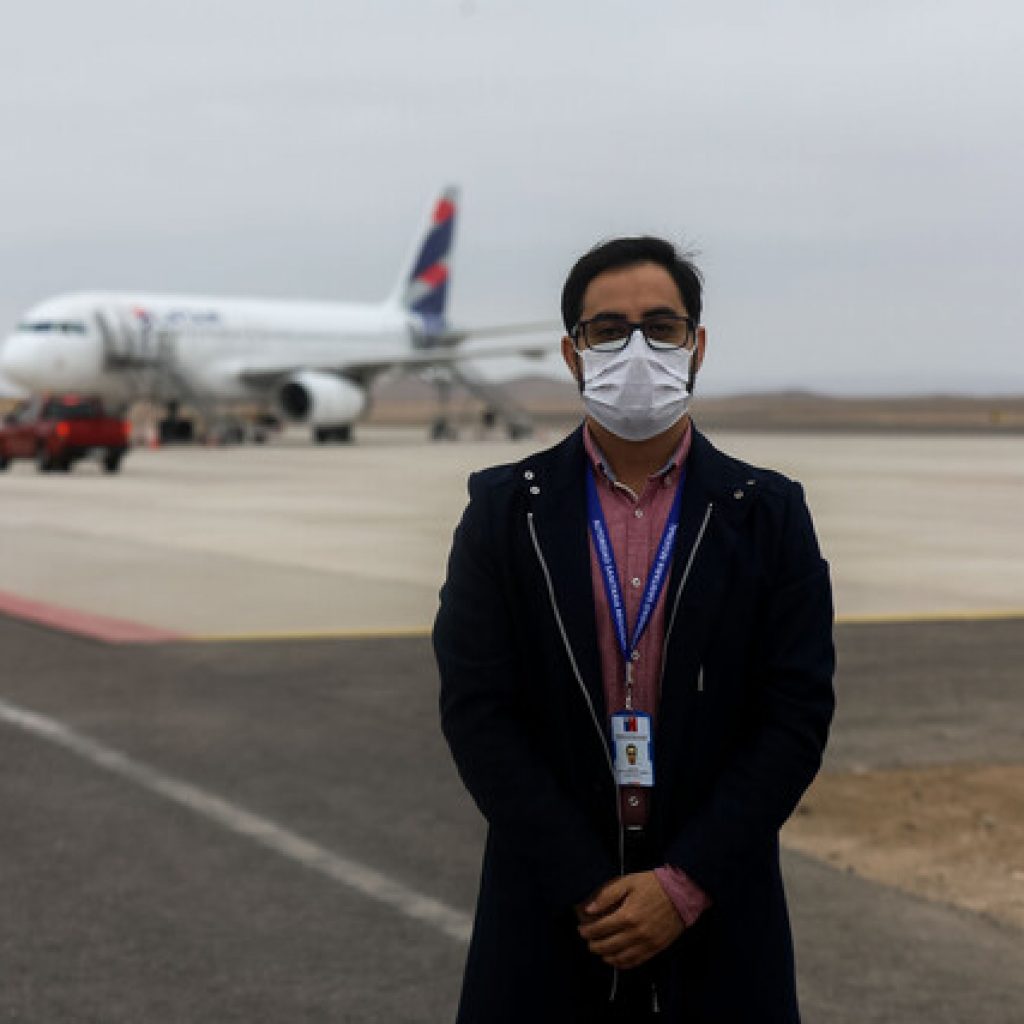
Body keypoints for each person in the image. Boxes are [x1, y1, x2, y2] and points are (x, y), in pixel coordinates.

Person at [433, 236, 835, 1023]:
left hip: (719, 915)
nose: (637, 348)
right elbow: (478, 712)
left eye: (662, 325)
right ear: (573, 354)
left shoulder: (769, 514)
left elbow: (794, 719)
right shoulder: (502, 513)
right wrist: (589, 887)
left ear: (698, 346)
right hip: (552, 918)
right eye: (608, 330)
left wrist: (681, 887)